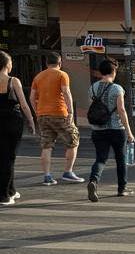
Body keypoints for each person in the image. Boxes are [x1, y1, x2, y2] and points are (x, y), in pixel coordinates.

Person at [30, 53, 83, 186]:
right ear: (60, 63)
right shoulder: (62, 75)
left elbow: (32, 97)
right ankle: (68, 172)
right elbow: (66, 92)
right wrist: (70, 111)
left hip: (42, 115)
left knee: (46, 145)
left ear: (46, 63)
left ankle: (47, 176)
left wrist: (37, 111)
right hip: (60, 113)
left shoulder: (38, 77)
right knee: (73, 140)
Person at [86, 59, 135, 202]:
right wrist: (129, 132)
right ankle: (122, 188)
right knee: (121, 159)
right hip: (116, 129)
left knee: (101, 159)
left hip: (98, 129)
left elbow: (92, 109)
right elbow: (121, 110)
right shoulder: (117, 89)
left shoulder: (93, 88)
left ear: (101, 72)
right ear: (113, 71)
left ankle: (93, 181)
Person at [0, 51, 36, 206]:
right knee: (9, 158)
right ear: (6, 64)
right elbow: (24, 104)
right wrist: (31, 121)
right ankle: (4, 195)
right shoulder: (13, 81)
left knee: (3, 156)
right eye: (11, 62)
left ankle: (11, 190)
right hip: (13, 122)